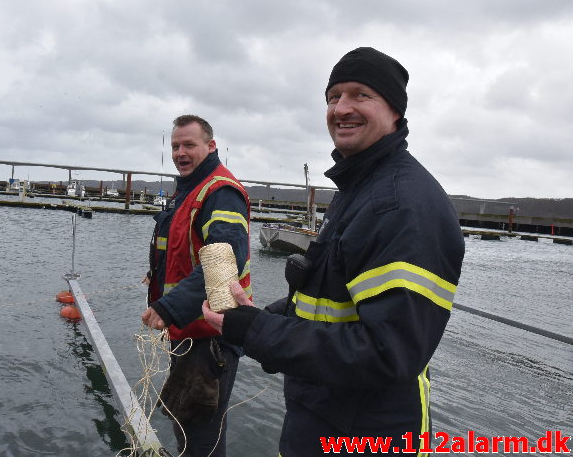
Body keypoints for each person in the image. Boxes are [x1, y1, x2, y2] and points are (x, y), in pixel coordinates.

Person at [203, 47, 465, 455]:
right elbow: (327, 299)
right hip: (324, 415)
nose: (341, 108)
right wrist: (254, 317)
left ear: (394, 111)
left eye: (360, 95)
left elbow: (387, 353)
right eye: (333, 96)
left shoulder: (402, 207)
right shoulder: (359, 189)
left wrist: (255, 332)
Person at [142, 114, 251, 457]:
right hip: (189, 331)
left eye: (189, 144)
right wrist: (156, 279)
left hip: (211, 335)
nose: (180, 152)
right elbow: (181, 248)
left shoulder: (220, 193)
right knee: (186, 422)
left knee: (200, 435)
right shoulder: (190, 190)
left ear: (211, 146)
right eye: (175, 146)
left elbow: (223, 261)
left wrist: (169, 306)